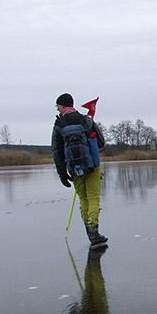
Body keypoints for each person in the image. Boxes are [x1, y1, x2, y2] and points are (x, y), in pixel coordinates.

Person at [52, 93, 108, 247]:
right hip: (92, 166)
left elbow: (57, 152)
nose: (57, 108)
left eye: (58, 106)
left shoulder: (59, 125)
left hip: (74, 170)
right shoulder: (85, 120)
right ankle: (93, 231)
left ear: (63, 106)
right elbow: (101, 143)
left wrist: (63, 174)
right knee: (93, 198)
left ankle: (88, 230)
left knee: (83, 200)